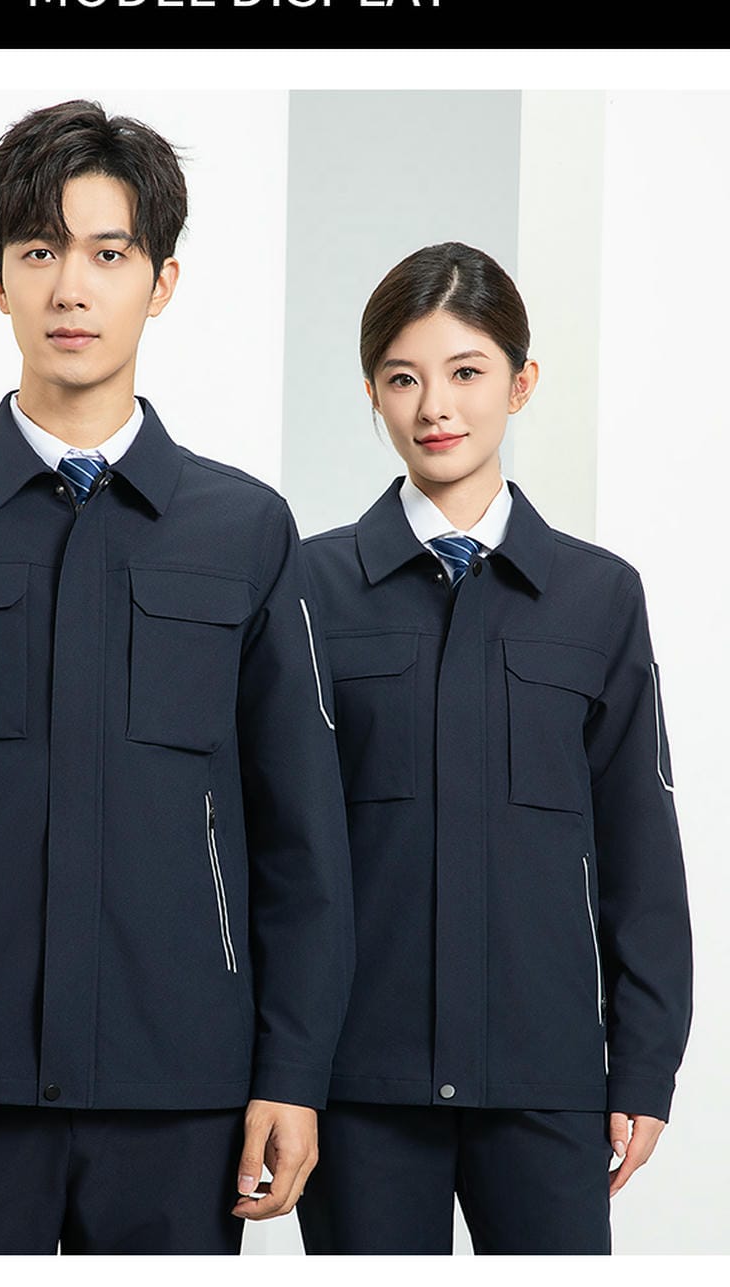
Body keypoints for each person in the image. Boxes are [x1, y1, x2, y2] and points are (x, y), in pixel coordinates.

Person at [0, 99, 355, 1255]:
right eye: (39, 252)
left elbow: (301, 838)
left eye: (108, 254)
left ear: (162, 281)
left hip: (182, 1093)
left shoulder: (244, 531)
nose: (71, 289)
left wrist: (293, 1073)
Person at [295, 241, 692, 1255]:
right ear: (372, 395)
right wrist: (280, 1072)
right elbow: (280, 851)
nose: (436, 405)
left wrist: (645, 1063)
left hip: (546, 1080)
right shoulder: (307, 590)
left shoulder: (599, 597)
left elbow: (640, 852)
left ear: (520, 383)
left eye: (466, 371)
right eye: (402, 378)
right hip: (359, 1085)